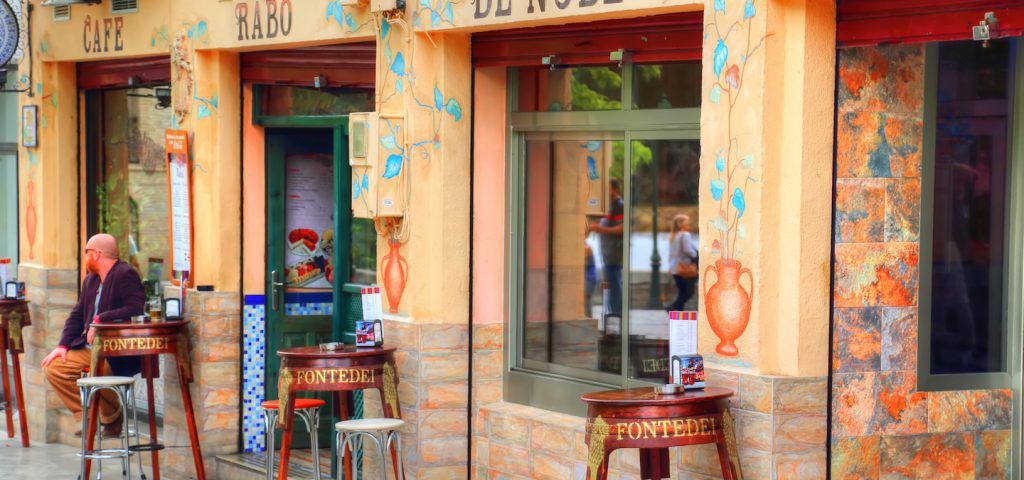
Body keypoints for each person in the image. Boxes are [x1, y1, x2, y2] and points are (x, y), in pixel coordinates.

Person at [41, 234, 147, 437]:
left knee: (96, 372)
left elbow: (136, 307)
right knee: (53, 368)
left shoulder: (125, 274)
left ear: (97, 254)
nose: (85, 258)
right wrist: (62, 346)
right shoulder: (90, 280)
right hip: (91, 348)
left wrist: (100, 319)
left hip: (115, 351)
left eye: (86, 253)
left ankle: (112, 418)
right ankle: (89, 417)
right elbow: (77, 315)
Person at [590, 179, 624, 315]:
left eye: (607, 188)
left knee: (614, 283)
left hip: (614, 253)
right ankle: (613, 314)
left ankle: (616, 314)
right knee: (611, 282)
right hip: (607, 253)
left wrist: (600, 229)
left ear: (615, 190)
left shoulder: (619, 206)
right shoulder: (609, 206)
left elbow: (622, 228)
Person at [668, 214, 698, 311]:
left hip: (675, 268)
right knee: (688, 292)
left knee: (682, 291)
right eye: (687, 223)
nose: (689, 225)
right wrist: (696, 256)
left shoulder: (673, 235)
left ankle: (678, 311)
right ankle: (672, 307)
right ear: (680, 224)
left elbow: (672, 254)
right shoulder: (685, 234)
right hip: (684, 268)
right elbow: (688, 250)